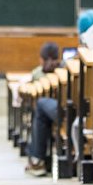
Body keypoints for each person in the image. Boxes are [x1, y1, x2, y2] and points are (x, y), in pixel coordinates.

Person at [25, 42, 61, 176]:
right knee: (41, 115)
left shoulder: (36, 74)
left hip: (62, 112)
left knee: (39, 109)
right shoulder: (65, 69)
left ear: (41, 59)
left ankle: (37, 159)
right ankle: (36, 159)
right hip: (70, 110)